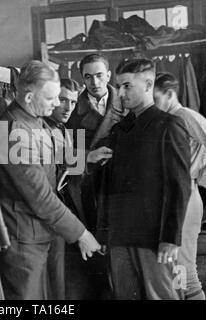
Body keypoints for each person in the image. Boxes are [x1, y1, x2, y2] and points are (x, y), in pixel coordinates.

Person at [0, 61, 102, 300]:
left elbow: (53, 161)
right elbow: (39, 196)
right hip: (24, 238)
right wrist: (81, 233)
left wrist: (87, 158)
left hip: (40, 233)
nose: (57, 104)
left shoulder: (34, 121)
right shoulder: (14, 130)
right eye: (52, 98)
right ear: (30, 96)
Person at [98, 58, 192, 300]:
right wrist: (105, 231)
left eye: (127, 86)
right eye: (118, 86)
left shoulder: (169, 125)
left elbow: (179, 186)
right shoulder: (120, 130)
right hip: (120, 235)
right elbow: (107, 183)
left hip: (153, 237)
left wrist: (171, 238)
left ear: (149, 84)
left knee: (160, 296)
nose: (119, 93)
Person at [153, 72, 206, 300]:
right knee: (174, 268)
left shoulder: (184, 116)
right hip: (177, 194)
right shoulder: (168, 119)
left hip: (186, 195)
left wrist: (201, 179)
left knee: (184, 269)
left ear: (170, 94)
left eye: (155, 97)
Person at [44, 78, 112, 299]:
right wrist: (87, 158)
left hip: (72, 208)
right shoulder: (42, 128)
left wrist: (88, 159)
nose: (68, 107)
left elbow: (65, 163)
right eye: (62, 100)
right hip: (56, 213)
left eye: (72, 102)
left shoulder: (62, 129)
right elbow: (52, 163)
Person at [65, 53, 124, 299]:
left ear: (109, 75)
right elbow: (61, 153)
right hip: (88, 187)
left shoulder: (126, 102)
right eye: (88, 77)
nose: (95, 82)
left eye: (100, 75)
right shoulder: (70, 110)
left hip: (120, 186)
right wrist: (88, 156)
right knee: (94, 254)